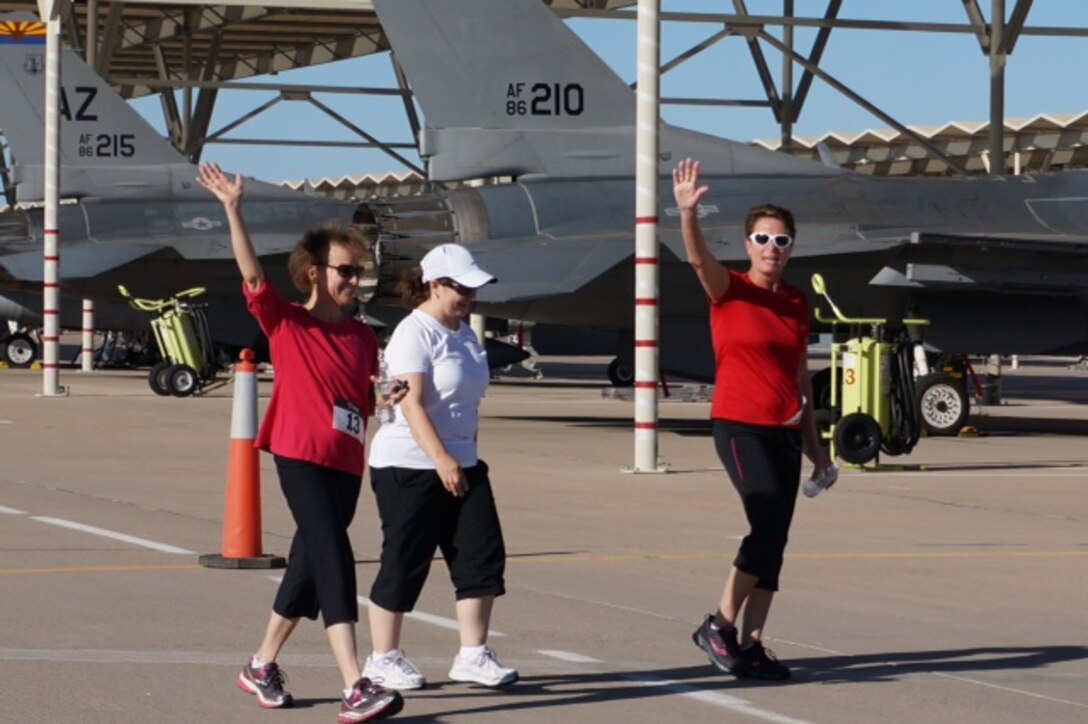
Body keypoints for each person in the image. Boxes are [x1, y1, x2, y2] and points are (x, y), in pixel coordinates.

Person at [197, 163, 404, 723]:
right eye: (344, 270)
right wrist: (233, 210)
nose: (354, 280)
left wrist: (382, 399)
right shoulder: (288, 322)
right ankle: (355, 683)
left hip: (345, 460)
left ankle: (261, 664)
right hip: (299, 452)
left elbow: (360, 400)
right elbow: (253, 278)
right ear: (314, 273)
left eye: (359, 271)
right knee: (334, 554)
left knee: (309, 564)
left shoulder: (362, 335)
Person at [672, 158, 833, 681]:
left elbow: (801, 379)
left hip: (786, 432)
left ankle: (755, 644)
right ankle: (719, 626)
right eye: (763, 238)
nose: (772, 248)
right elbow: (698, 262)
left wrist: (816, 449)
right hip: (740, 427)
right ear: (747, 245)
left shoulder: (795, 303)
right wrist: (687, 214)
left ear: (790, 248)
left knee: (776, 541)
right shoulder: (730, 291)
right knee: (764, 526)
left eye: (781, 241)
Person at [363, 243, 517, 691]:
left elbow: (465, 404)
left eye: (474, 288)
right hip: (409, 465)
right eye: (461, 287)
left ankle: (472, 655)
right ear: (434, 284)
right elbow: (409, 401)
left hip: (462, 462)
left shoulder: (465, 334)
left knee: (481, 555)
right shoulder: (415, 333)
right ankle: (383, 658)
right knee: (406, 558)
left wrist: (460, 456)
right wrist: (441, 458)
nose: (469, 295)